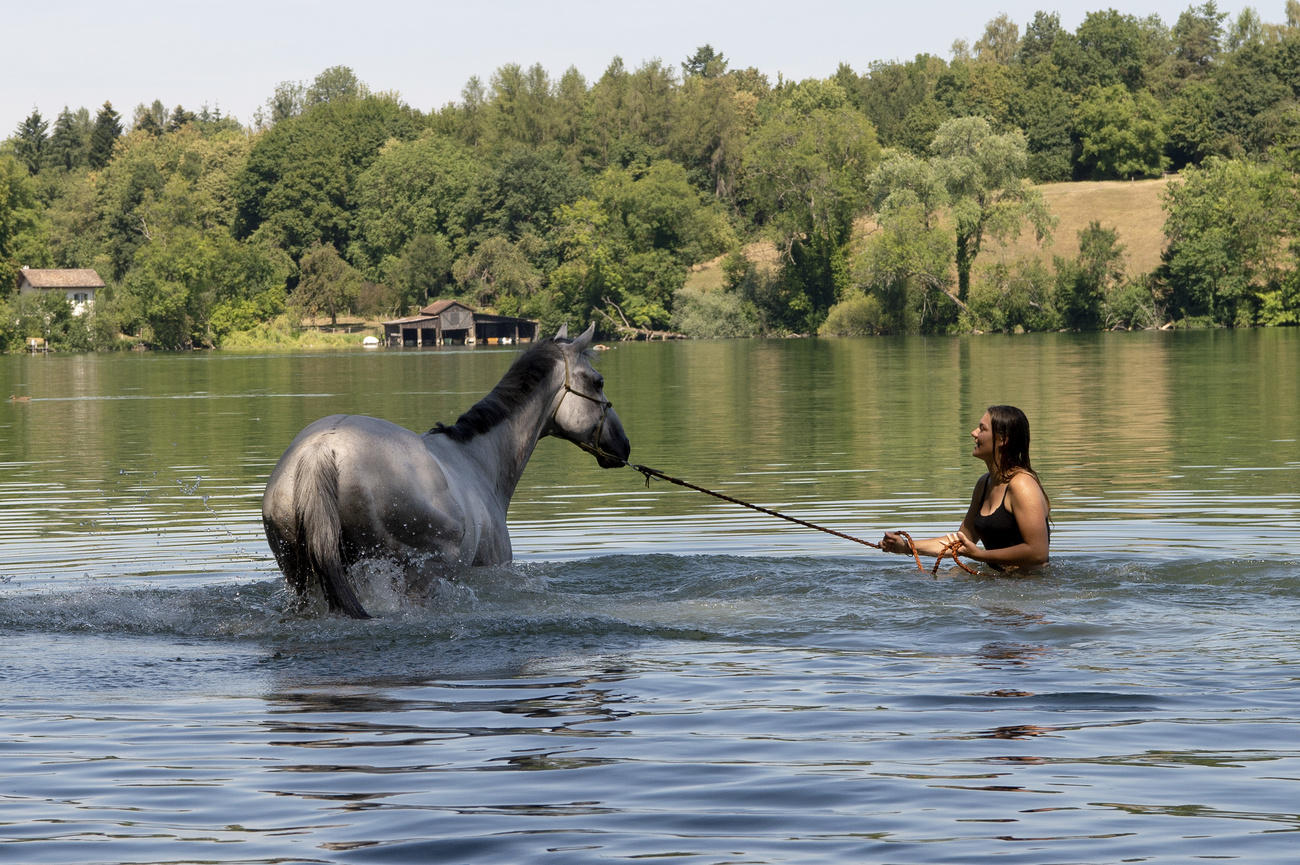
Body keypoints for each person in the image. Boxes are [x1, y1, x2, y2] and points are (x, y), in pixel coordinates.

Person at [881, 405, 1050, 571]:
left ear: (1003, 439)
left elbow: (1038, 552)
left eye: (982, 429)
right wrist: (906, 547)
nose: (974, 433)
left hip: (1033, 588)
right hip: (1000, 584)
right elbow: (960, 542)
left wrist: (979, 555)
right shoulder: (984, 484)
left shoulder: (1022, 485)